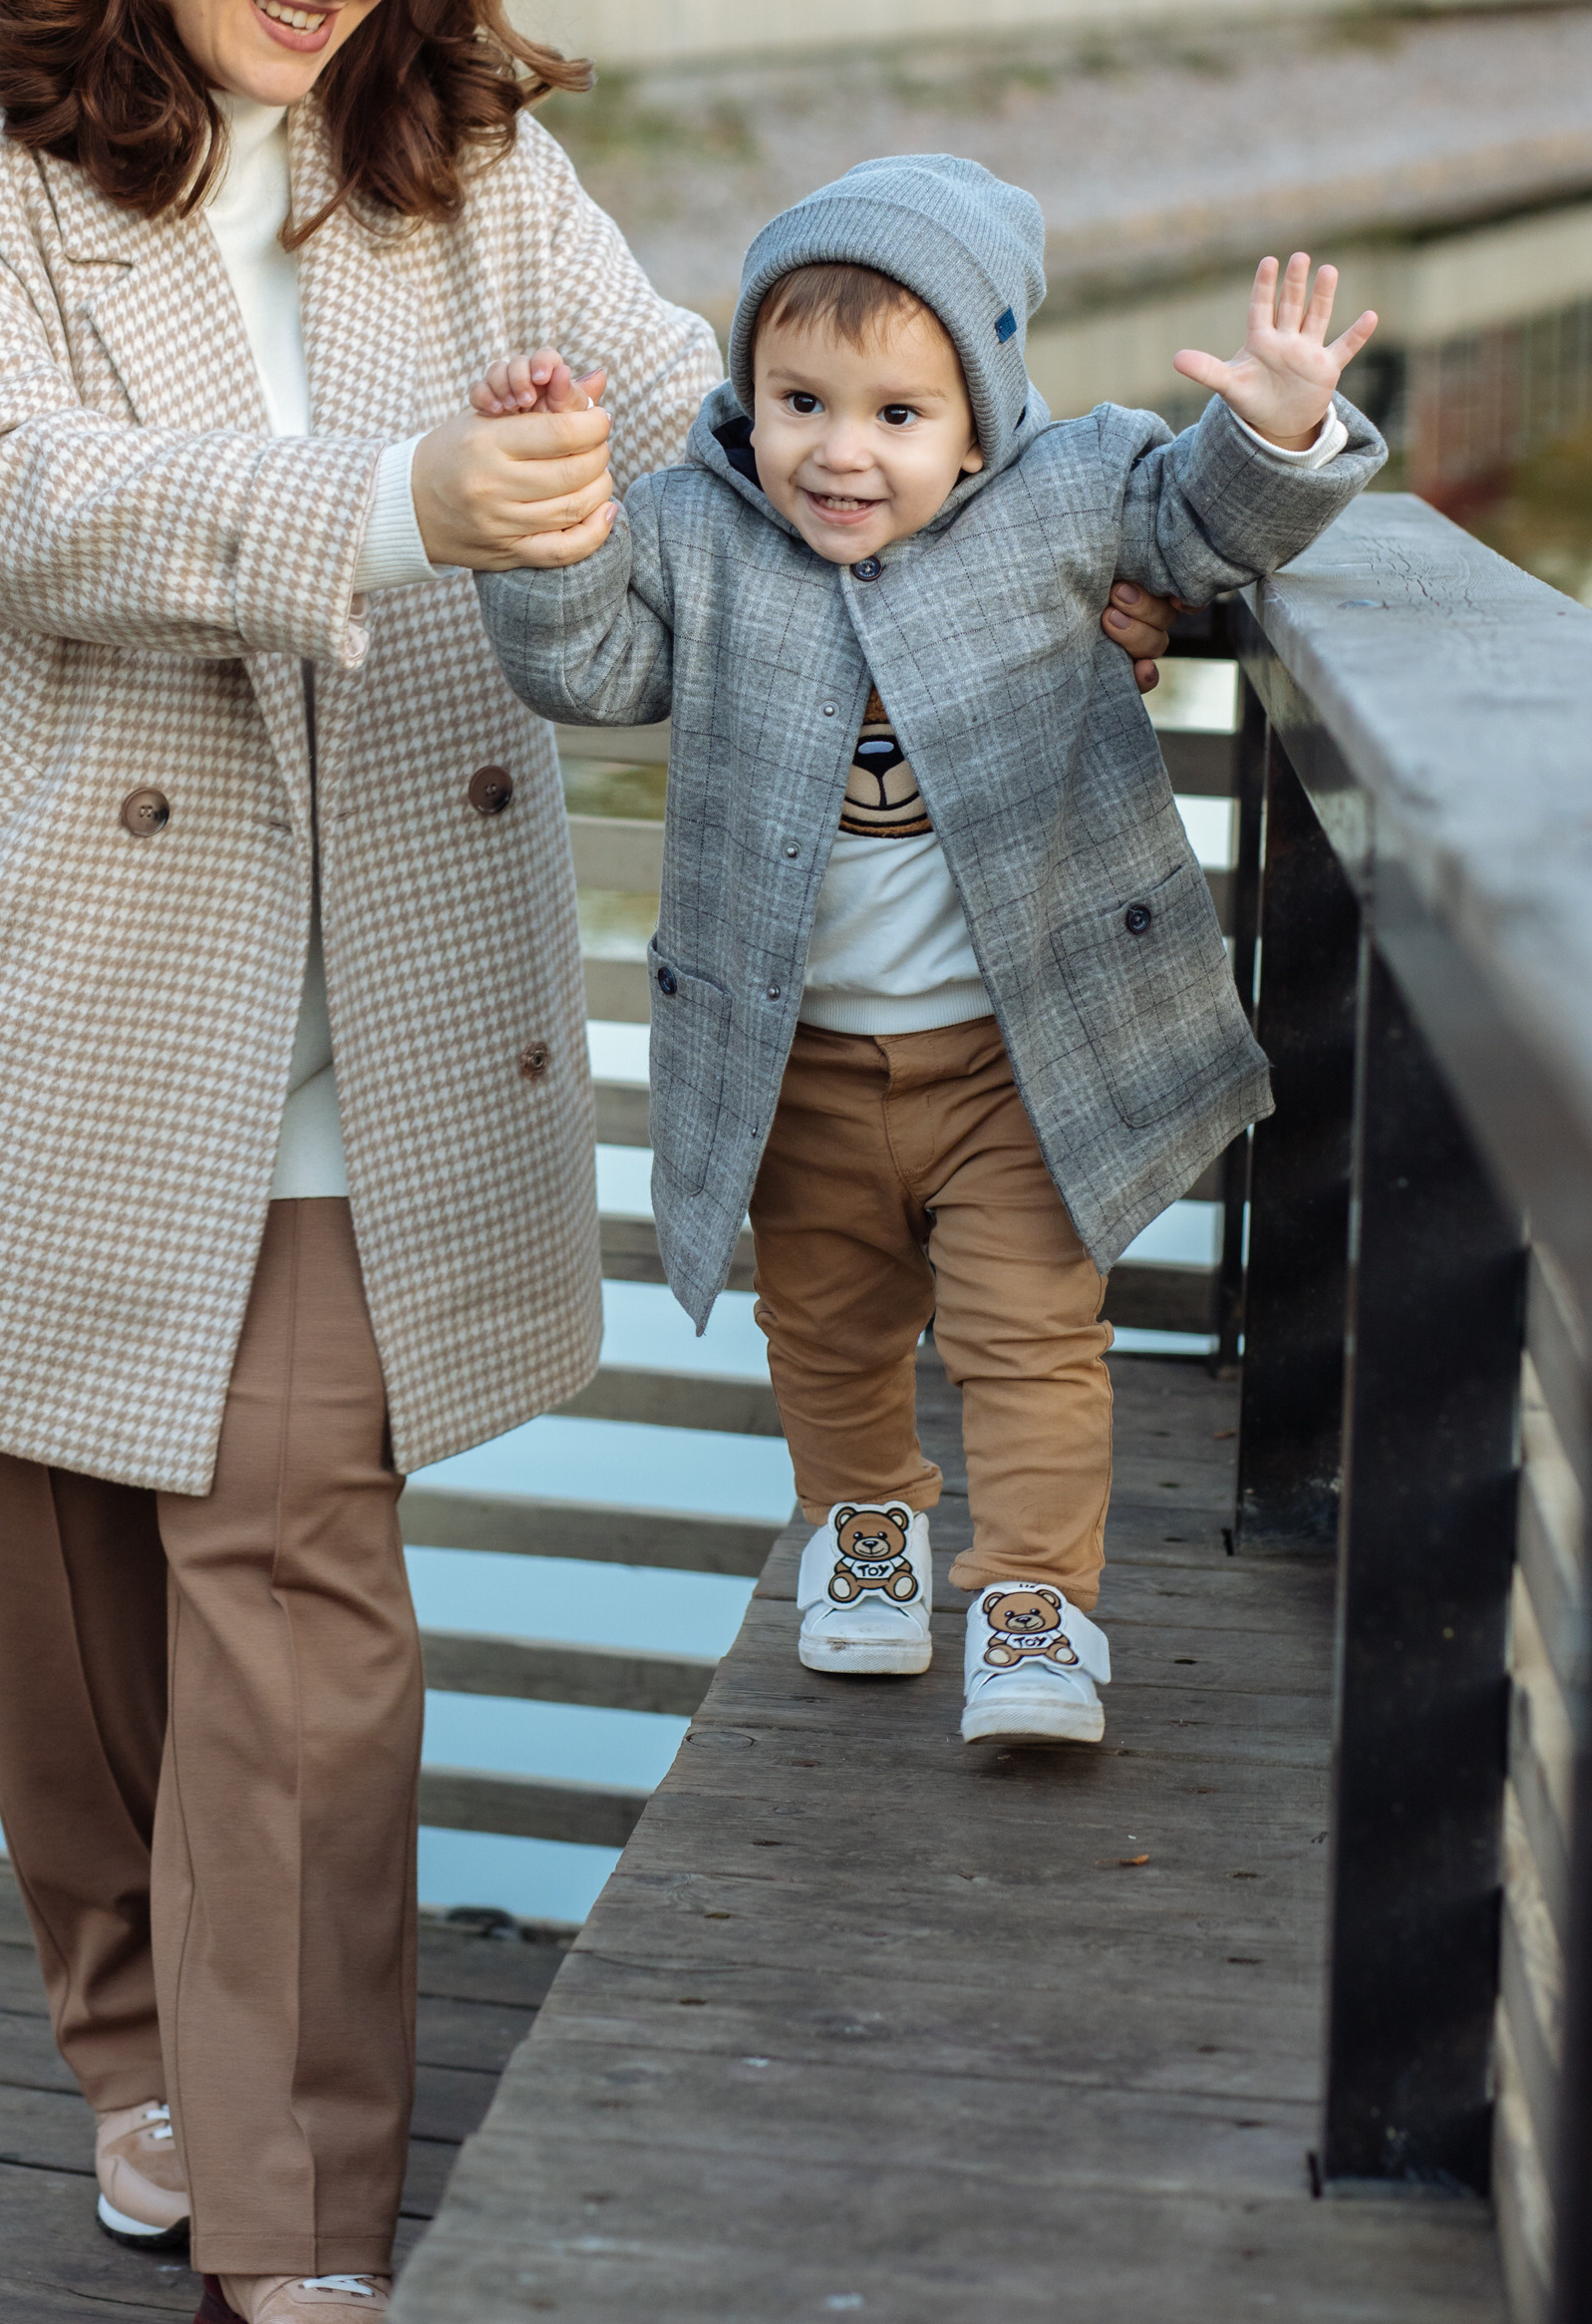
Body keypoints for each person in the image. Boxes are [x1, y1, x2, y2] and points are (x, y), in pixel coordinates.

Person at [0, 0, 1179, 2318]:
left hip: (353, 1008)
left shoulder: (460, 153)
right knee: (52, 1597)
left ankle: (299, 2214)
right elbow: (7, 493)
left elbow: (703, 438)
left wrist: (991, 559)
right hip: (27, 979)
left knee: (296, 1601)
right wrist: (403, 493)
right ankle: (138, 2049)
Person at [473, 155, 1383, 1753]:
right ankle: (865, 1533)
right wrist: (551, 533)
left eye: (898, 415)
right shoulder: (699, 527)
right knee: (823, 1328)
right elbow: (597, 669)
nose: (838, 452)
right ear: (744, 391)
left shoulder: (1070, 488)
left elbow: (1204, 534)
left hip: (1013, 1053)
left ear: (985, 415)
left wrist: (1282, 429)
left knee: (1030, 1335)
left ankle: (1037, 1602)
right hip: (791, 1055)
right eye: (799, 399)